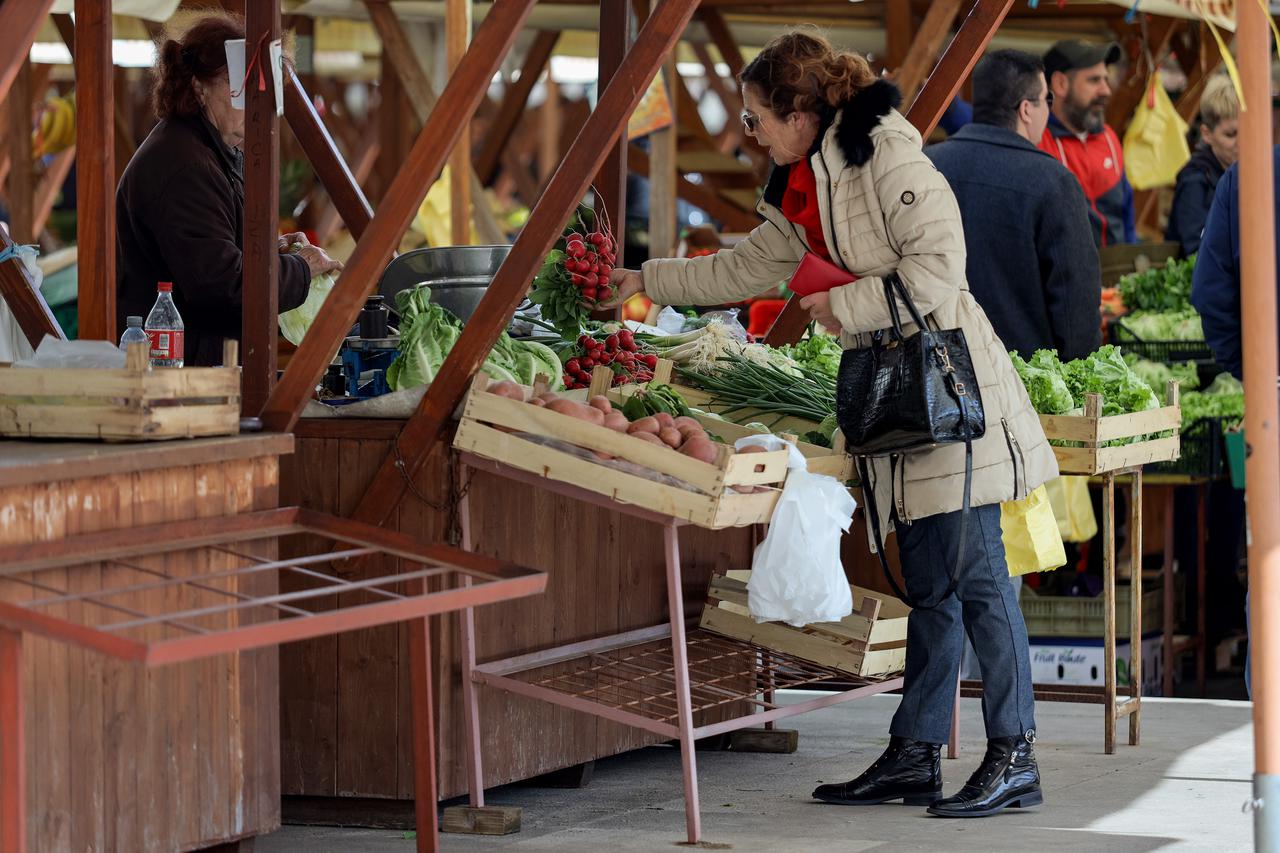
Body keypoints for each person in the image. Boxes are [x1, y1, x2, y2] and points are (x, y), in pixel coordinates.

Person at [604, 30, 1058, 818]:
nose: (753, 135)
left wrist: (838, 305)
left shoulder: (887, 155)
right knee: (934, 586)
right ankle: (915, 753)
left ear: (800, 109)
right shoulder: (807, 180)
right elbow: (748, 267)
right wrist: (642, 278)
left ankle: (1016, 755)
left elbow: (940, 267)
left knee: (980, 578)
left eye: (757, 119)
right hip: (897, 403)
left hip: (950, 393)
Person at [116, 11, 342, 366]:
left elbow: (212, 252)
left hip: (194, 363)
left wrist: (268, 251)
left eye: (258, 93)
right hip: (181, 373)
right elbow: (222, 286)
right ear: (198, 87)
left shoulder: (199, 150)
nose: (253, 107)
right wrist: (302, 267)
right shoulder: (184, 165)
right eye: (239, 90)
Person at [927, 49, 1101, 362]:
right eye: (1046, 99)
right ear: (1025, 109)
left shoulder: (925, 166)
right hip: (1023, 388)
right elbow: (1076, 305)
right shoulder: (1054, 182)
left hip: (936, 375)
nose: (1049, 111)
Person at [1038, 40, 1136, 247]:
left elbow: (1127, 215)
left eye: (1106, 80)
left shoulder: (1109, 137)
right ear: (1060, 84)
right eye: (1094, 81)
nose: (1106, 91)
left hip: (1116, 273)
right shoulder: (1036, 140)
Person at [1166, 75, 1239, 257]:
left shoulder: (1240, 173)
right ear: (1206, 134)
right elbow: (1197, 251)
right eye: (1231, 135)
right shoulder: (1195, 182)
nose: (1242, 143)